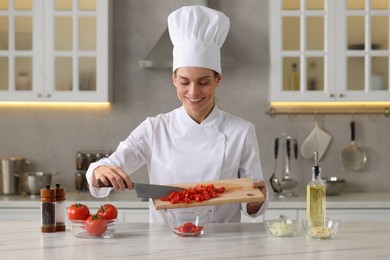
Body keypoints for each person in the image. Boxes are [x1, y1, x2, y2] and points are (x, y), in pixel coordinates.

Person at [86, 5, 268, 223]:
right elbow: (103, 169)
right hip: (166, 245)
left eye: (203, 82)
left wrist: (258, 199)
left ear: (217, 80)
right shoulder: (155, 128)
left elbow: (254, 203)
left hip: (222, 244)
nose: (193, 92)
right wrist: (100, 173)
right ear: (173, 80)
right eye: (184, 82)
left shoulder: (241, 131)